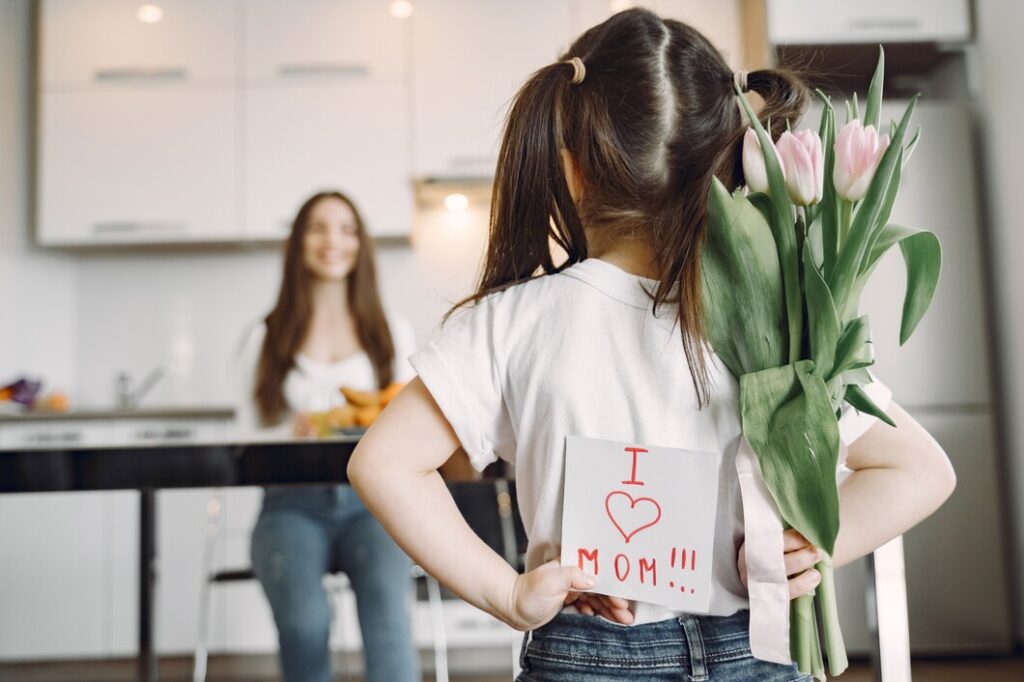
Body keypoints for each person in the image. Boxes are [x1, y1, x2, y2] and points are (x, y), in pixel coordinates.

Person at [347, 8, 956, 682]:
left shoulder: (512, 319)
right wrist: (811, 543)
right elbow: (921, 471)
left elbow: (383, 464)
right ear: (728, 164)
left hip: (588, 649)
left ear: (571, 169)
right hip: (754, 646)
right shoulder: (778, 318)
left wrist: (509, 595)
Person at [236, 191, 419, 682]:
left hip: (374, 504)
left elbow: (412, 429)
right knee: (304, 624)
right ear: (298, 242)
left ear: (360, 243)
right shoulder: (265, 335)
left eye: (346, 228)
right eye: (317, 227)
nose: (331, 240)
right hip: (289, 505)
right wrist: (283, 432)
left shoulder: (392, 331)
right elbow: (243, 433)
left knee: (388, 620)